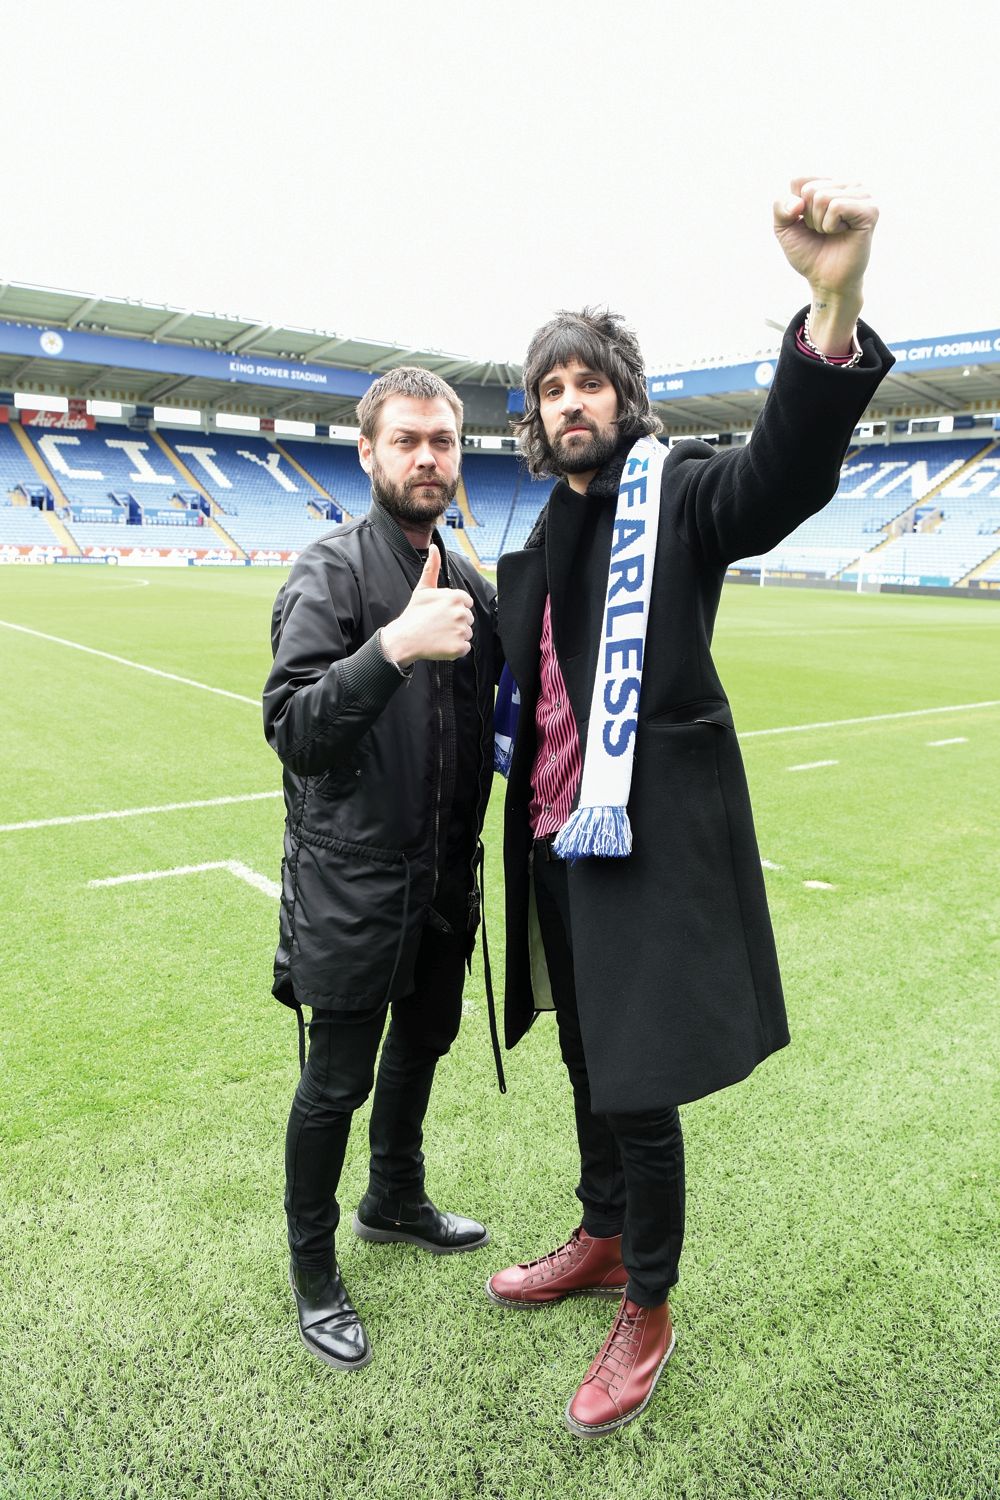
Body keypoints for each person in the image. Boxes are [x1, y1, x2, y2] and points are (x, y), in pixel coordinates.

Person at [487, 178, 894, 1436]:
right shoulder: (528, 546)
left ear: (624, 397)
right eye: (550, 389)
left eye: (588, 383)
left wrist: (831, 305)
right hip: (553, 845)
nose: (569, 404)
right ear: (535, 417)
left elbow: (782, 476)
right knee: (579, 1059)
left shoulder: (680, 498)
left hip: (641, 846)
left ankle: (648, 1304)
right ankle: (602, 1236)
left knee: (636, 1080)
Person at [263, 367, 499, 1371]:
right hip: (354, 883)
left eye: (441, 441)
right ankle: (313, 1268)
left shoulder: (471, 582)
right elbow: (293, 729)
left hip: (444, 878)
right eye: (405, 441)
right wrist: (392, 647)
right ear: (367, 454)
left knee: (423, 1046)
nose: (426, 458)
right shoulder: (330, 574)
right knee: (335, 1082)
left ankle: (392, 1198)